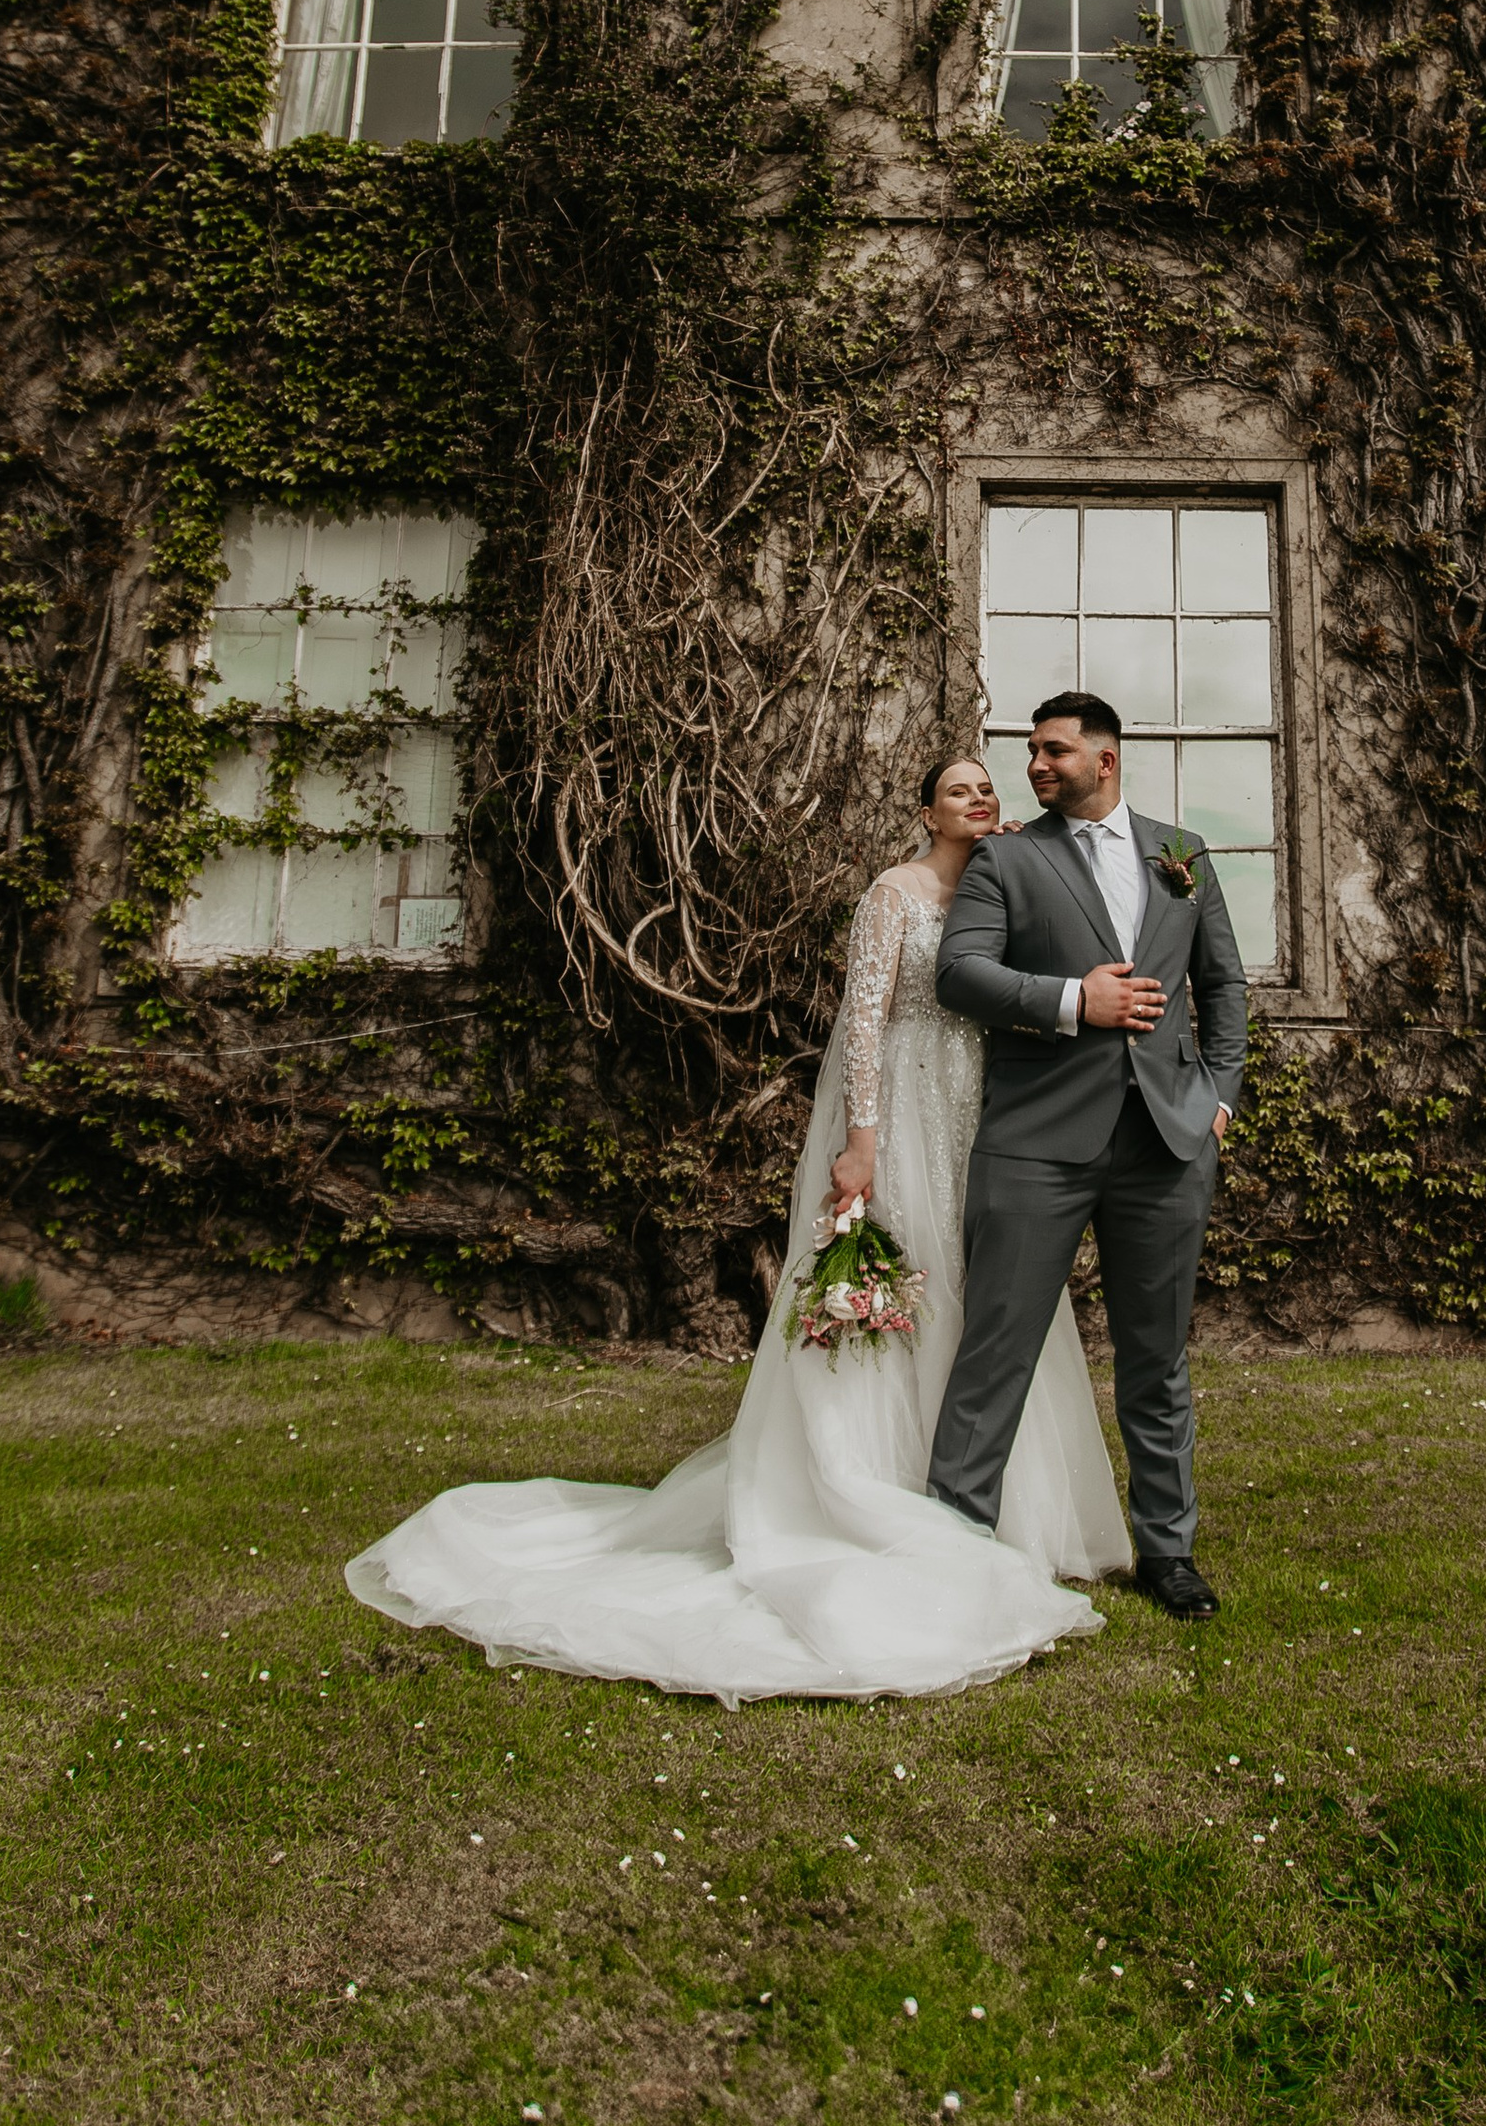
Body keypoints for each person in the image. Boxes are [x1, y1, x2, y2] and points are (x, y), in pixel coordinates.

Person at [344, 754, 1128, 1705]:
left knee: (993, 1292)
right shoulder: (896, 894)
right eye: (959, 789)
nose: (980, 798)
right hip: (912, 1110)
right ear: (925, 810)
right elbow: (866, 1022)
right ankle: (876, 1491)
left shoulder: (1006, 881)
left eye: (986, 787)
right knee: (916, 1288)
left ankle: (1006, 1513)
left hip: (986, 1111)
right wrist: (863, 1141)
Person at [929, 691, 1249, 1621]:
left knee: (1158, 1360)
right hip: (1036, 1144)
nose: (1034, 764)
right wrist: (1077, 1000)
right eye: (1030, 750)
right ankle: (956, 1545)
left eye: (1053, 750)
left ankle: (1169, 1550)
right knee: (995, 1355)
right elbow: (960, 972)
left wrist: (1219, 1099)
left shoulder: (1181, 853)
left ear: (1105, 759)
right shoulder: (1006, 857)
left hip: (1167, 1144)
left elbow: (1224, 986)